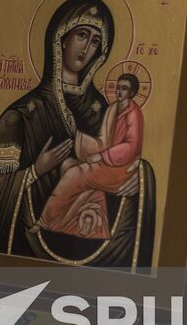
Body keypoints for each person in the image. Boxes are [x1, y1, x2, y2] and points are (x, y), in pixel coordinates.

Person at [0, 0, 155, 268]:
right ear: (62, 38)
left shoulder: (105, 109)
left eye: (95, 41)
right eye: (82, 35)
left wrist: (138, 176)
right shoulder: (23, 114)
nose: (86, 49)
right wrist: (35, 171)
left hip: (94, 243)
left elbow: (125, 152)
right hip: (26, 259)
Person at [31, 73, 149, 238]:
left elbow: (130, 147)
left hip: (121, 170)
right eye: (118, 87)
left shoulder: (134, 114)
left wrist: (101, 157)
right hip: (108, 164)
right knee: (68, 165)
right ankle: (74, 227)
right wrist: (76, 133)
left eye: (125, 88)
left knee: (75, 173)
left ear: (132, 92)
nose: (120, 91)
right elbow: (101, 143)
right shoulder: (112, 109)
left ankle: (44, 221)